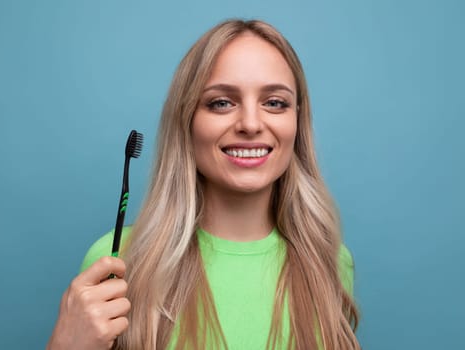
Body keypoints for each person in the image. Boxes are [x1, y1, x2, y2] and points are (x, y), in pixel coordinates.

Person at [47, 19, 360, 350]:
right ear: (187, 121)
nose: (251, 124)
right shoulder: (116, 262)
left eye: (275, 102)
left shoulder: (330, 263)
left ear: (297, 120)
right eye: (221, 102)